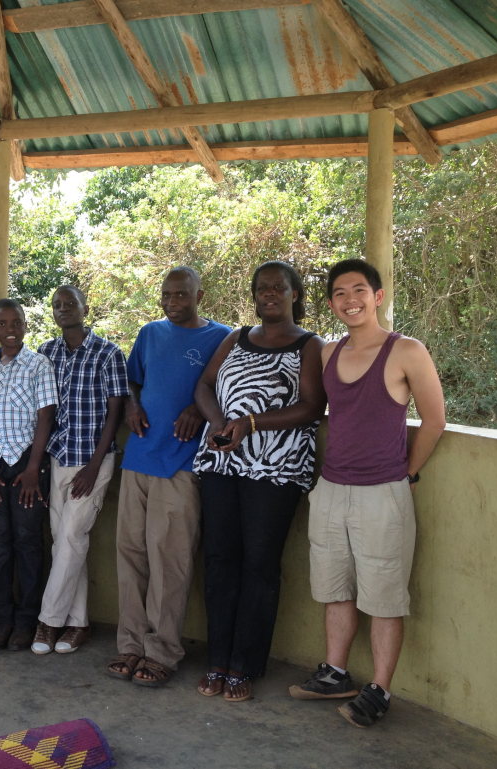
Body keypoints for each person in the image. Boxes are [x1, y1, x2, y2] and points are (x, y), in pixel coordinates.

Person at [289, 259, 445, 728]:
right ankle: (336, 672)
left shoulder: (406, 351)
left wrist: (407, 474)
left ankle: (379, 689)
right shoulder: (327, 354)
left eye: (359, 290)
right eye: (339, 293)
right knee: (334, 586)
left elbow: (434, 420)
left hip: (383, 493)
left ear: (377, 296)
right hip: (332, 488)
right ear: (332, 303)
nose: (349, 299)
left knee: (383, 595)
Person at [193, 260, 327, 702]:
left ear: (295, 295)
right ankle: (217, 659)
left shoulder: (309, 345)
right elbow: (204, 387)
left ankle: (243, 665)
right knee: (219, 558)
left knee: (260, 563)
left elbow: (311, 407)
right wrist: (219, 424)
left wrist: (250, 422)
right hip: (222, 462)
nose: (269, 293)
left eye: (279, 287)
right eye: (262, 288)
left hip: (277, 468)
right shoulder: (235, 338)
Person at [108, 267, 230, 685]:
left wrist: (199, 408)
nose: (172, 302)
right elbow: (133, 381)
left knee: (169, 561)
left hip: (182, 464)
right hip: (139, 457)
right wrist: (132, 407)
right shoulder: (149, 333)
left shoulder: (222, 337)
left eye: (181, 295)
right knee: (130, 555)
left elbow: (223, 391)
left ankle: (162, 652)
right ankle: (130, 645)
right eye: (166, 295)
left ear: (200, 295)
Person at [33, 286, 128, 656]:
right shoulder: (47, 353)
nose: (63, 309)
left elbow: (115, 413)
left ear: (85, 308)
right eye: (56, 304)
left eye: (70, 303)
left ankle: (48, 622)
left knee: (71, 537)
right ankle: (79, 624)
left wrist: (92, 465)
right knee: (66, 544)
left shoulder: (108, 353)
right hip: (58, 457)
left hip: (93, 461)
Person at [0, 298, 58, 652]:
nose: (11, 330)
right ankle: (1, 619)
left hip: (27, 464)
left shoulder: (38, 364)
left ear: (26, 325)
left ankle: (26, 620)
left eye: (17, 323)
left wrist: (32, 468)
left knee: (27, 541)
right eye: (3, 324)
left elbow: (46, 417)